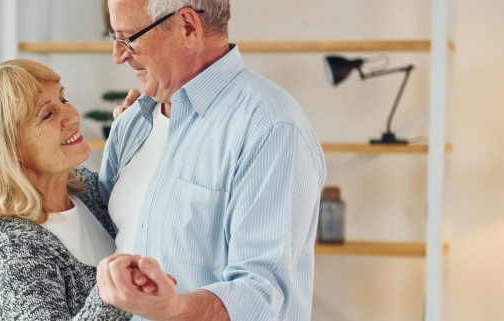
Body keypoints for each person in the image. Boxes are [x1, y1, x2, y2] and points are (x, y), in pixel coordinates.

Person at [92, 0, 327, 320]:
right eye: (115, 38)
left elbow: (261, 293)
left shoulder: (270, 127)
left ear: (188, 27)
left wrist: (171, 310)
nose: (119, 55)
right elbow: (103, 235)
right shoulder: (132, 122)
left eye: (128, 38)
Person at [0, 59, 161, 320]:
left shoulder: (87, 189)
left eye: (63, 99)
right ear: (8, 147)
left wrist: (141, 135)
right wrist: (114, 295)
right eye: (47, 114)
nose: (72, 115)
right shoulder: (12, 250)